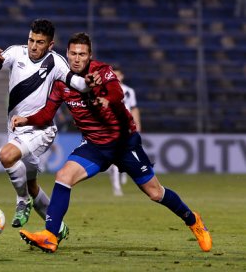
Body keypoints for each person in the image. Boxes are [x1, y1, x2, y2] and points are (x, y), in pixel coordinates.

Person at [11, 32, 212, 253]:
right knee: (63, 177)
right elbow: (47, 113)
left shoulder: (101, 71)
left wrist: (103, 96)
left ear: (89, 56)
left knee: (155, 193)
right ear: (66, 54)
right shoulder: (61, 81)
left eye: (82, 54)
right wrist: (26, 120)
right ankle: (50, 235)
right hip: (94, 146)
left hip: (124, 144)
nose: (77, 58)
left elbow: (116, 94)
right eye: (73, 54)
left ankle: (193, 220)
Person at [0, 19, 98, 242]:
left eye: (40, 42)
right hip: (16, 129)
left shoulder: (57, 63)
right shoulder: (16, 53)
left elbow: (79, 85)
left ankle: (21, 201)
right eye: (31, 40)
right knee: (31, 184)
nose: (33, 46)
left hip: (40, 129)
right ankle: (58, 228)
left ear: (50, 45)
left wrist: (89, 82)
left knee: (6, 155)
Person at [107, 66, 141, 196]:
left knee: (128, 152)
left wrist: (137, 125)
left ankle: (123, 171)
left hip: (127, 125)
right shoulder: (105, 90)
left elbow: (134, 108)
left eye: (118, 75)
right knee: (116, 155)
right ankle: (116, 187)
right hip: (111, 126)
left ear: (122, 76)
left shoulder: (129, 91)